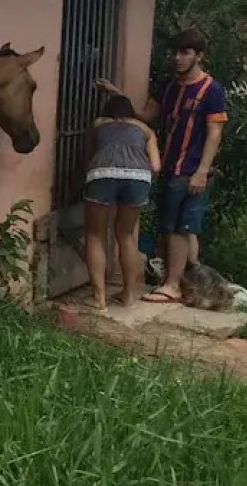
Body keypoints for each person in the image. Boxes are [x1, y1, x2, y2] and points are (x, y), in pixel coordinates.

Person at [96, 27, 227, 304]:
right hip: (168, 166)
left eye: (185, 52)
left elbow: (214, 133)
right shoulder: (168, 87)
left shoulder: (211, 90)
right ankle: (185, 283)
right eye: (175, 52)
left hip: (190, 169)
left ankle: (173, 286)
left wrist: (202, 171)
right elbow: (145, 116)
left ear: (199, 56)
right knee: (174, 226)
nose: (177, 58)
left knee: (179, 228)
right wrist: (116, 94)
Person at [79, 94, 160, 309]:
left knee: (94, 234)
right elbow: (156, 166)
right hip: (138, 177)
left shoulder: (98, 124)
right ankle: (129, 295)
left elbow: (88, 158)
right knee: (126, 234)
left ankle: (99, 298)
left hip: (102, 173)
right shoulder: (146, 130)